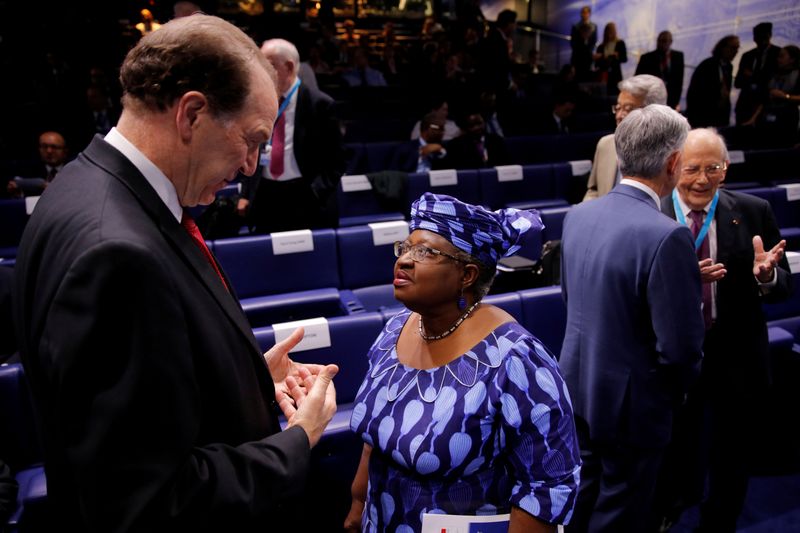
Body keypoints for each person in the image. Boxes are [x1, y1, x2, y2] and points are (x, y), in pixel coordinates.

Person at [13, 15, 340, 531]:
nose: (253, 166)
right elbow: (151, 500)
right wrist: (298, 438)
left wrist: (246, 375)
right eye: (251, 140)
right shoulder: (118, 255)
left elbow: (136, 392)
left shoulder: (82, 185)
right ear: (192, 114)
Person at [344, 193, 581, 532]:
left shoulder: (516, 359)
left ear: (467, 275)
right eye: (405, 248)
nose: (404, 261)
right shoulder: (396, 328)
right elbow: (375, 436)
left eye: (425, 252)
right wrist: (358, 502)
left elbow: (547, 485)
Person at [560, 104, 705, 533]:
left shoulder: (578, 215)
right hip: (634, 407)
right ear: (674, 162)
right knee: (621, 516)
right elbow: (680, 349)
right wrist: (671, 395)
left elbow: (573, 301)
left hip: (576, 387)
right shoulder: (667, 234)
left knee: (580, 503)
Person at [657, 128, 792, 532]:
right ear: (674, 166)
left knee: (732, 452)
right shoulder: (653, 213)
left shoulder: (753, 210)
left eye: (712, 168)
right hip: (673, 357)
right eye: (692, 168)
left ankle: (721, 520)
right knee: (675, 445)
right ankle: (669, 509)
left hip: (735, 356)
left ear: (726, 169)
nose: (701, 179)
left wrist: (766, 277)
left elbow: (782, 286)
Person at [239, 38, 345, 233]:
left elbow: (337, 161)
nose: (262, 73)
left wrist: (315, 192)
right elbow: (251, 149)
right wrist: (246, 193)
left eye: (268, 66)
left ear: (288, 67)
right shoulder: (259, 102)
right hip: (266, 195)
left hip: (304, 196)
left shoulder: (320, 104)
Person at [583, 74, 667, 201]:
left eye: (628, 109)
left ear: (654, 113)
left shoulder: (670, 153)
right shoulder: (606, 145)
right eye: (618, 108)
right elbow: (594, 190)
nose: (619, 116)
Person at [742, 45, 800, 147]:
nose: (778, 59)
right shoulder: (773, 74)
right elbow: (764, 100)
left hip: (788, 120)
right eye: (778, 57)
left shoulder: (797, 75)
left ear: (792, 59)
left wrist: (786, 97)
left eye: (782, 56)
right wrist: (754, 118)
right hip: (769, 118)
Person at [686, 36, 740, 128]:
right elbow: (695, 92)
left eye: (737, 48)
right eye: (733, 48)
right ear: (723, 48)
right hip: (704, 116)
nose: (736, 51)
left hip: (720, 118)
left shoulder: (728, 67)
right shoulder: (707, 65)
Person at [734, 22, 780, 125]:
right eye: (757, 36)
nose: (760, 39)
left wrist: (752, 76)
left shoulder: (778, 54)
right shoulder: (747, 56)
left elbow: (775, 79)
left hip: (766, 105)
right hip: (745, 105)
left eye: (763, 35)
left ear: (769, 35)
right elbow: (738, 82)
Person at [6, 131, 70, 198]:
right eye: (44, 146)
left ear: (65, 150)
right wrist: (19, 194)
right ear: (39, 149)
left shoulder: (74, 169)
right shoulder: (27, 170)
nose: (49, 151)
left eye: (54, 147)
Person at [635, 31, 684, 109]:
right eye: (659, 41)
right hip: (651, 100)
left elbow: (679, 81)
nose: (661, 44)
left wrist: (676, 102)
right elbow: (637, 79)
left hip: (671, 100)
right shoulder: (646, 58)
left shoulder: (678, 57)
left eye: (664, 41)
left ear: (670, 42)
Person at [594, 22, 627, 94]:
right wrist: (599, 57)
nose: (610, 32)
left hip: (616, 75)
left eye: (612, 30)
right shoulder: (601, 46)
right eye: (608, 30)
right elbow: (597, 64)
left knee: (616, 95)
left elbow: (624, 59)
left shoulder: (620, 43)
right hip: (604, 76)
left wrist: (617, 56)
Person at [571, 6, 597, 81]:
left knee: (587, 78)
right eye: (583, 12)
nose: (584, 14)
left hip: (588, 57)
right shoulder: (576, 26)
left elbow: (594, 41)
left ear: (589, 14)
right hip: (577, 56)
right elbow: (573, 42)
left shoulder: (594, 26)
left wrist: (589, 51)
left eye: (586, 12)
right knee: (577, 78)